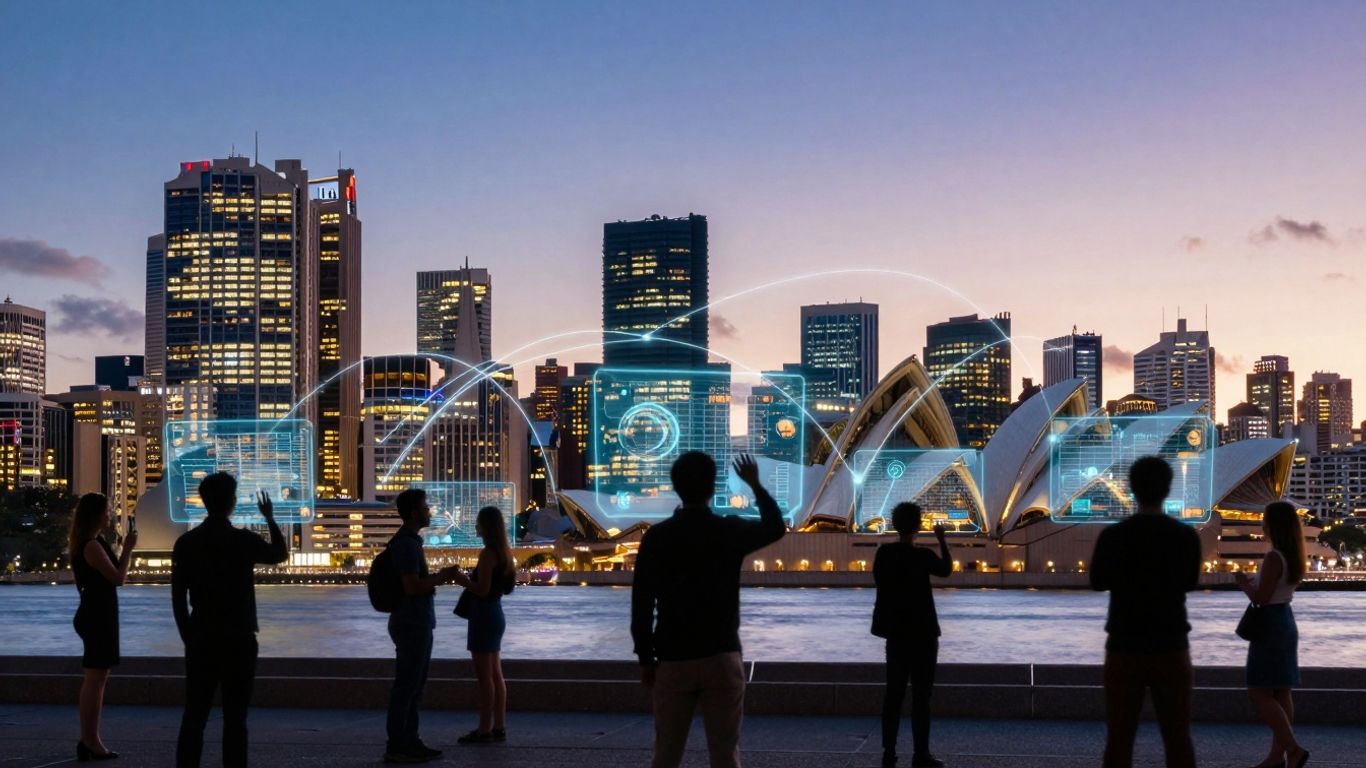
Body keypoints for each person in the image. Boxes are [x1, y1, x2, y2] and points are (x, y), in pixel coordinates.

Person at [631, 452, 786, 768]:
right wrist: (755, 485)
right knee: (725, 754)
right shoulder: (727, 530)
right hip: (721, 654)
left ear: (676, 487)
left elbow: (642, 603)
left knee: (666, 754)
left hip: (673, 657)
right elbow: (775, 527)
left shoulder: (657, 537)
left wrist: (646, 658)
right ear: (712, 487)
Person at [1089, 456, 1202, 768]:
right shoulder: (1185, 536)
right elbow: (1190, 583)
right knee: (1178, 735)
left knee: (1120, 737)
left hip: (1125, 645)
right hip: (1171, 644)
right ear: (1167, 489)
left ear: (1131, 489)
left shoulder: (1113, 536)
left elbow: (1097, 582)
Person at [171, 473, 288, 768]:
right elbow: (279, 554)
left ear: (205, 502)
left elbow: (177, 598)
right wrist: (270, 518)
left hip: (202, 637)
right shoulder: (243, 540)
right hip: (239, 637)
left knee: (194, 714)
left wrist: (189, 635)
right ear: (232, 503)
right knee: (236, 717)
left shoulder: (186, 543)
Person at [384, 488, 461, 764]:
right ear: (415, 513)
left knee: (413, 685)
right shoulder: (407, 544)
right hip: (411, 622)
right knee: (408, 686)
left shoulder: (409, 541)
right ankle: (398, 744)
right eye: (426, 507)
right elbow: (411, 585)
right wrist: (441, 578)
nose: (429, 511)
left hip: (412, 621)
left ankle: (409, 740)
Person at [872, 503, 952, 768]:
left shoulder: (884, 554)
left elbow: (879, 581)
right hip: (924, 633)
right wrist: (941, 540)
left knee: (893, 695)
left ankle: (889, 753)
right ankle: (921, 754)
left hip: (896, 633)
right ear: (919, 526)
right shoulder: (923, 556)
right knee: (921, 696)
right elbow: (946, 570)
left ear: (895, 524)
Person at [1236, 501, 1310, 768]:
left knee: (1258, 691)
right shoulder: (1293, 556)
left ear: (1272, 525)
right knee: (1281, 690)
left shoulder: (1273, 557)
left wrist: (1244, 583)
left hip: (1270, 625)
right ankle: (1278, 756)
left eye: (1265, 520)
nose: (1262, 525)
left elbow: (1261, 598)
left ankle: (1293, 749)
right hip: (1285, 621)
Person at [70, 492, 136, 761]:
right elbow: (118, 578)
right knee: (96, 678)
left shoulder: (91, 543)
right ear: (97, 514)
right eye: (108, 510)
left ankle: (90, 738)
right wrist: (129, 548)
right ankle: (90, 740)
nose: (111, 514)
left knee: (98, 677)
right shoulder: (92, 546)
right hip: (97, 614)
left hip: (97, 612)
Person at [450, 505, 517, 745]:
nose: (476, 525)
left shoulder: (488, 554)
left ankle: (484, 729)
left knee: (484, 677)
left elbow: (482, 590)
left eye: (478, 522)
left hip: (483, 616)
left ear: (486, 526)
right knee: (497, 674)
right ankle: (499, 725)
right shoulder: (504, 553)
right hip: (496, 614)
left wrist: (461, 580)